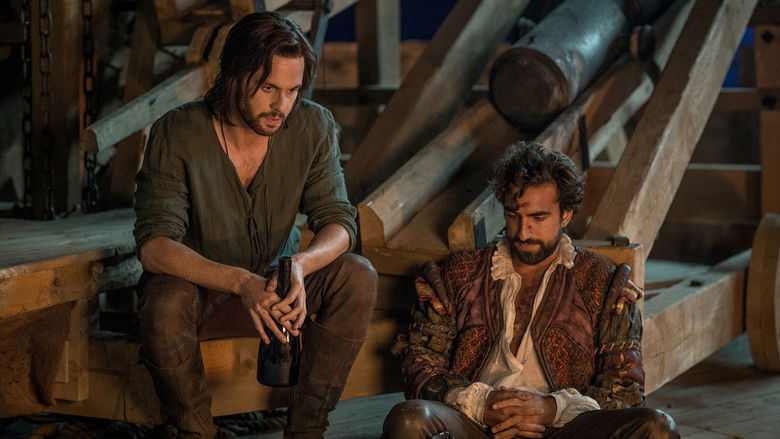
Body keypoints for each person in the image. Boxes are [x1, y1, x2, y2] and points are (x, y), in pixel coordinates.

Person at [133, 12, 377, 439]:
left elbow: (339, 221)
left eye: (292, 90)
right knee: (164, 298)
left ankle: (306, 430)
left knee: (358, 274)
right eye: (268, 88)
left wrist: (300, 265)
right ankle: (196, 432)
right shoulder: (178, 131)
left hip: (278, 291)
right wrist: (239, 281)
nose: (281, 106)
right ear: (234, 74)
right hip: (203, 292)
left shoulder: (313, 125)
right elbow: (155, 245)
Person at [384, 141, 679, 439]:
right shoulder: (456, 275)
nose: (523, 232)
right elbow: (419, 364)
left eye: (538, 218)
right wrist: (483, 404)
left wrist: (551, 408)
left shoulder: (603, 282)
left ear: (565, 215)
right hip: (476, 425)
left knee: (657, 427)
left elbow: (625, 388)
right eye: (513, 216)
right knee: (409, 420)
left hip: (564, 429)